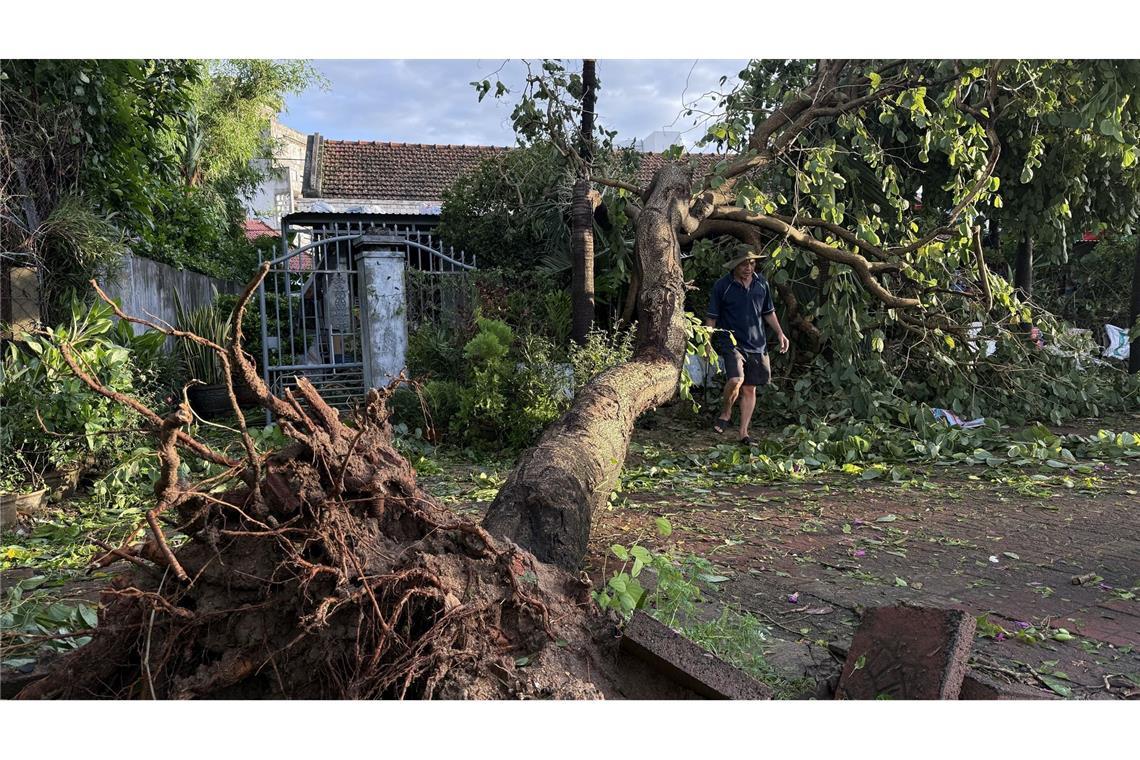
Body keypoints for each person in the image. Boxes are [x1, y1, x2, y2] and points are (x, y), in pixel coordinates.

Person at [705, 245, 789, 445]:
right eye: (743, 264)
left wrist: (779, 333)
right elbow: (711, 318)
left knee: (750, 388)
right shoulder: (722, 286)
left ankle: (744, 432)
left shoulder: (762, 285)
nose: (748, 268)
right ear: (734, 266)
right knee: (735, 379)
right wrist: (707, 343)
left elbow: (768, 312)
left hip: (757, 343)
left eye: (751, 263)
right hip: (731, 341)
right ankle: (726, 412)